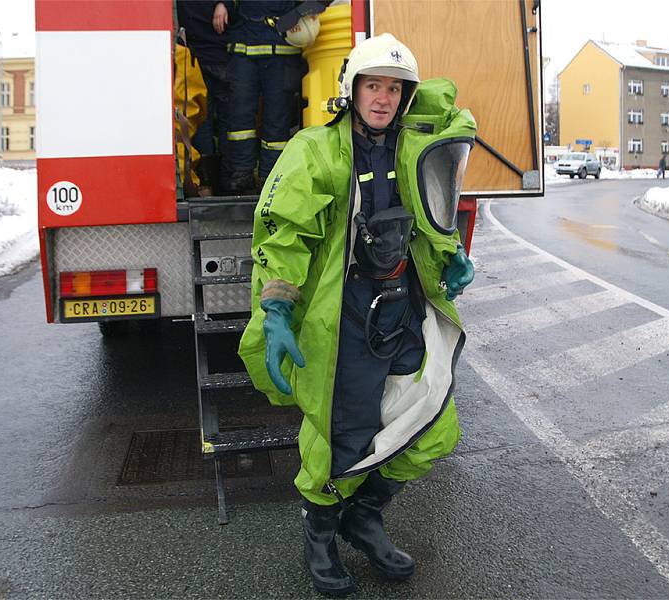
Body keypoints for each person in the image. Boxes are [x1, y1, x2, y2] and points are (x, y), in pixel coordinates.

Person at [238, 34, 477, 595]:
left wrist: (454, 256)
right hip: (342, 315)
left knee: (432, 424)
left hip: (403, 308)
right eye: (374, 85)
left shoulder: (414, 149)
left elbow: (432, 212)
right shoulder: (316, 152)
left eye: (394, 89)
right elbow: (282, 234)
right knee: (339, 434)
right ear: (352, 89)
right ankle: (319, 532)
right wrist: (275, 307)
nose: (383, 98)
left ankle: (363, 515)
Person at [220, 1, 308, 194]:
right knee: (240, 118)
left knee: (277, 120)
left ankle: (271, 176)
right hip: (244, 47)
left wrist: (302, 12)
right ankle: (242, 173)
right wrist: (222, 4)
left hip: (282, 51)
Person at [176, 0, 231, 194]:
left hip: (207, 56)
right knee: (209, 122)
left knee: (206, 121)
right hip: (206, 55)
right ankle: (215, 183)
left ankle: (211, 184)